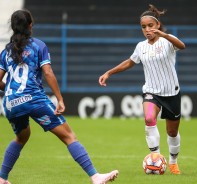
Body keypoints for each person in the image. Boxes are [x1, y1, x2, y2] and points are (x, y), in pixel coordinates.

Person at [0, 9, 118, 184]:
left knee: (22, 137)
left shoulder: (6, 52)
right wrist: (60, 99)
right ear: (30, 25)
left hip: (10, 103)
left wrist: (10, 89)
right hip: (33, 98)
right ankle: (95, 177)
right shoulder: (38, 46)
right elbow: (48, 72)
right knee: (69, 136)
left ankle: (2, 179)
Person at [99, 4, 185, 175]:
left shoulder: (167, 41)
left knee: (172, 132)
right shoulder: (141, 46)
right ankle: (156, 157)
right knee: (149, 118)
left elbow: (182, 46)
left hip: (171, 93)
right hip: (151, 92)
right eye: (143, 27)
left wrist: (164, 35)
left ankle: (173, 162)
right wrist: (109, 72)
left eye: (150, 25)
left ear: (157, 25)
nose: (147, 29)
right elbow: (130, 62)